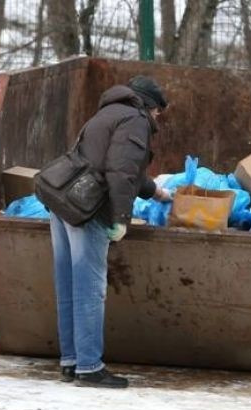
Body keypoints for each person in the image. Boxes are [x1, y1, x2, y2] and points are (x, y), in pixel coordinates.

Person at [49, 76, 171, 389]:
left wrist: (155, 192)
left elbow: (112, 165)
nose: (157, 118)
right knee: (91, 289)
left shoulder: (107, 112)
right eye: (158, 112)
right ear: (149, 105)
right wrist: (121, 219)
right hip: (89, 210)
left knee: (69, 285)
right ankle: (90, 367)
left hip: (63, 202)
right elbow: (121, 172)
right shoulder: (135, 120)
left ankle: (72, 361)